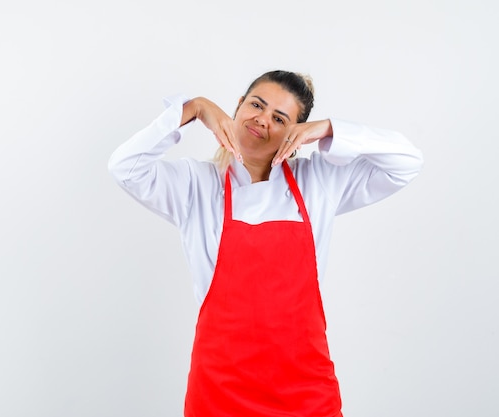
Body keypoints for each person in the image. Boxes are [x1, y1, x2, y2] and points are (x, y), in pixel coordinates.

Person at [107, 70, 423, 417]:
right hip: (219, 389)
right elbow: (125, 167)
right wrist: (195, 108)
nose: (262, 120)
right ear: (238, 106)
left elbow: (406, 164)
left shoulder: (319, 181)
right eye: (256, 104)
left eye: (280, 118)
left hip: (305, 390)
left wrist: (330, 129)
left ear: (296, 133)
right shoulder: (195, 185)